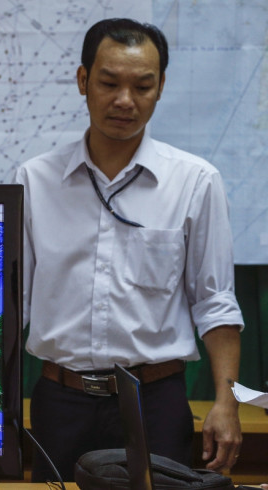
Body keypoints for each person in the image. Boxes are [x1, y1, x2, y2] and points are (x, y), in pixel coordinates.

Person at [16, 18, 244, 482]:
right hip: (60, 399)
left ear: (161, 87)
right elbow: (11, 303)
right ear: (83, 81)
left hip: (154, 401)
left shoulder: (195, 182)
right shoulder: (35, 180)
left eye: (142, 85)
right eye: (108, 83)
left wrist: (226, 403)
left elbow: (215, 302)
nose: (125, 101)